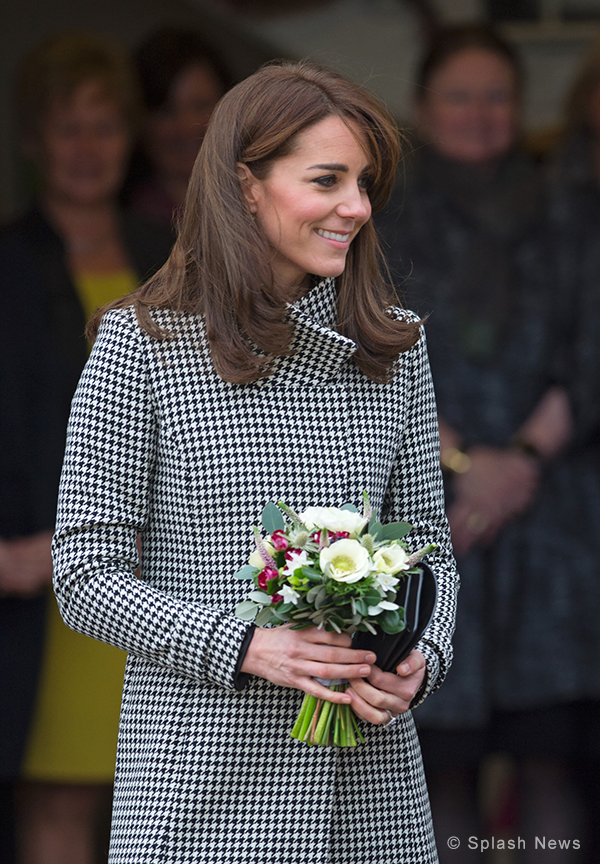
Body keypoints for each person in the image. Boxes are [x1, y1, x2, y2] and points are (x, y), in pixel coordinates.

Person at [51, 59, 458, 863]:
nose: (357, 207)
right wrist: (244, 645)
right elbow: (83, 573)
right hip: (201, 791)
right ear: (245, 186)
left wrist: (423, 657)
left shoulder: (396, 348)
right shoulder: (142, 346)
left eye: (364, 182)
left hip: (369, 796)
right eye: (327, 180)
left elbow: (431, 553)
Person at [377, 26, 574, 862]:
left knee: (554, 756)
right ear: (423, 108)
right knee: (437, 764)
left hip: (561, 524)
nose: (480, 113)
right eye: (459, 95)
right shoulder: (381, 214)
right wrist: (462, 463)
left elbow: (592, 349)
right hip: (431, 514)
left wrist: (522, 462)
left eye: (497, 95)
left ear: (521, 107)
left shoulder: (573, 206)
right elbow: (368, 348)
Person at [0, 32, 173, 864]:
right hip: (50, 592)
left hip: (161, 584)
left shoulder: (170, 259)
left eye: (105, 126)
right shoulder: (5, 261)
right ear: (32, 139)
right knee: (61, 810)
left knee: (170, 814)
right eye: (67, 128)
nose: (87, 148)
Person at [125, 28, 233, 227]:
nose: (186, 127)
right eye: (167, 111)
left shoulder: (269, 204)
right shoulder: (128, 226)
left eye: (200, 105)